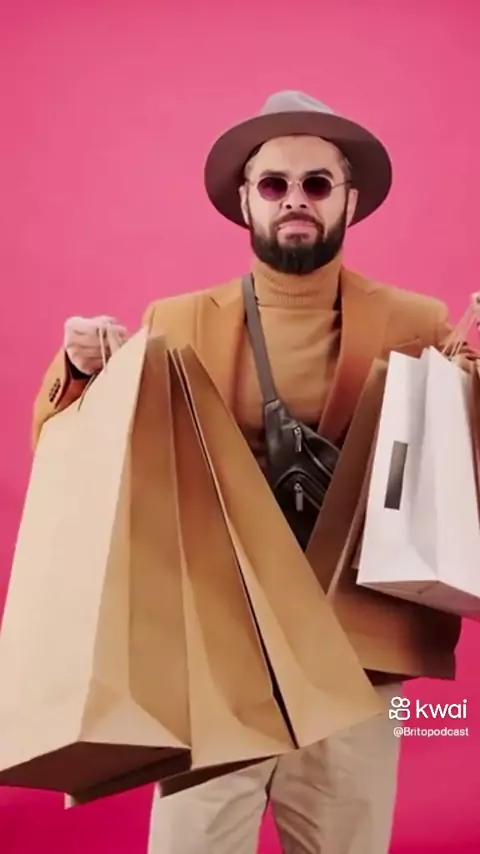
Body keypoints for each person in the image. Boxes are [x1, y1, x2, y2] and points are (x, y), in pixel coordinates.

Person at [31, 91, 480, 854]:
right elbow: (70, 454)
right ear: (246, 201)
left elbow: (461, 462)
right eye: (274, 184)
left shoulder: (419, 323)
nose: (294, 199)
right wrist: (79, 370)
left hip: (355, 663)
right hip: (217, 658)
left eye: (316, 183)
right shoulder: (176, 322)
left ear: (349, 199)